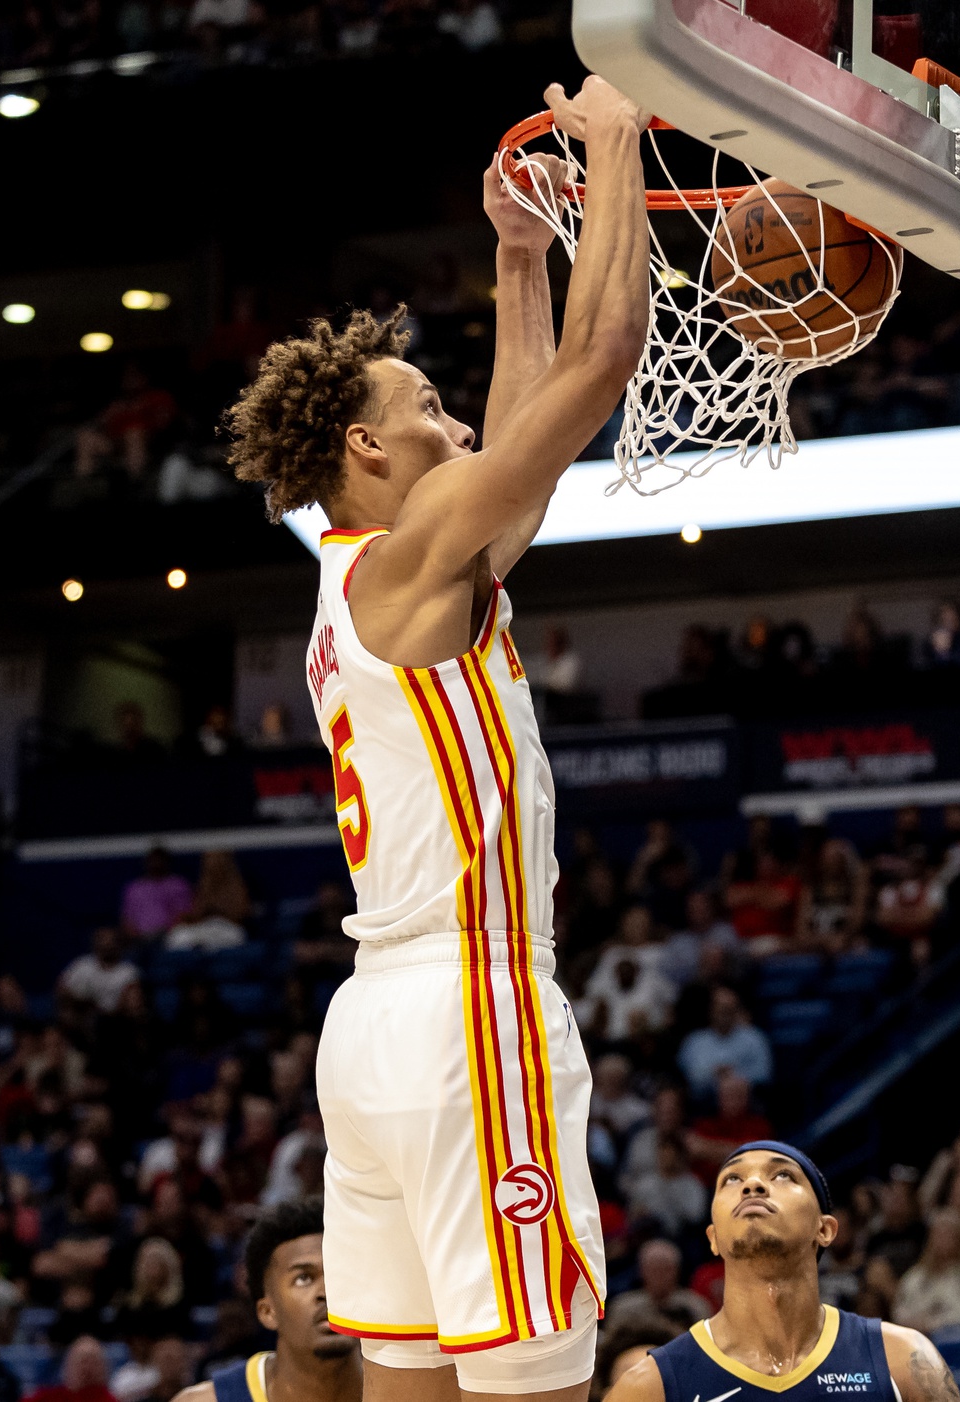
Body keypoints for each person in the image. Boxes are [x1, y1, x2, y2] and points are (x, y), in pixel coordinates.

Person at [227, 75, 649, 1402]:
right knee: (533, 1385)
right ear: (364, 442)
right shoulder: (407, 565)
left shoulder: (373, 576)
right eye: (425, 405)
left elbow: (514, 427)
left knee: (404, 1390)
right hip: (470, 997)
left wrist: (521, 253)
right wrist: (621, 139)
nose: (455, 419)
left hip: (371, 1033)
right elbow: (593, 370)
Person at [600, 1141, 959, 1402]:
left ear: (825, 1229)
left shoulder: (903, 1360)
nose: (752, 1185)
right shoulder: (649, 1387)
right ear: (714, 1238)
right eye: (731, 1179)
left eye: (783, 1175)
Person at [174, 1201, 359, 1402]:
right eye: (303, 1278)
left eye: (338, 1273)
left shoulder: (397, 1387)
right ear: (268, 1312)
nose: (327, 1291)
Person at [891, 1211, 960, 1336]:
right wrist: (913, 1322)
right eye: (938, 1234)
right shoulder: (917, 1275)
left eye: (948, 1234)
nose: (943, 1240)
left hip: (954, 1338)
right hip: (916, 1336)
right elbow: (899, 1308)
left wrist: (932, 1324)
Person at [677, 988, 773, 1097]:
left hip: (744, 1103)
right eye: (721, 1010)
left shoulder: (754, 1038)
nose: (724, 1016)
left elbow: (763, 1074)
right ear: (711, 1010)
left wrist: (734, 1075)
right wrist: (712, 1073)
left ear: (737, 1011)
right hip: (701, 1105)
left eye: (729, 1010)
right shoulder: (695, 1041)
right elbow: (684, 1077)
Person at [602, 1240, 710, 1334]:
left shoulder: (695, 1306)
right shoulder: (623, 1308)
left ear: (677, 1271)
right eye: (654, 1269)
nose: (660, 1275)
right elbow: (611, 1347)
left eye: (666, 1269)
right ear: (641, 1271)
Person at [123, 848, 194, 940]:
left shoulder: (178, 885)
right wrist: (136, 936)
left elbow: (184, 915)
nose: (156, 863)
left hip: (169, 938)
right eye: (153, 860)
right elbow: (126, 920)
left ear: (167, 862)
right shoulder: (134, 888)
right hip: (139, 940)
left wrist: (166, 933)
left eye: (159, 860)